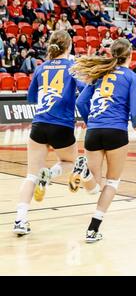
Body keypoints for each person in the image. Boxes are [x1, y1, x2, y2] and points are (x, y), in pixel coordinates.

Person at [69, 38, 136, 243]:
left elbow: (80, 101)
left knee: (93, 187)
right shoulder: (132, 77)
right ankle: (93, 229)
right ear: (130, 55)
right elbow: (134, 112)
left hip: (94, 130)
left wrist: (89, 121)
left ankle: (83, 172)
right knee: (112, 182)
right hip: (116, 132)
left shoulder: (100, 73)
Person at [13, 30, 85, 236]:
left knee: (30, 175)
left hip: (39, 124)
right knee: (71, 162)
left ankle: (20, 219)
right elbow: (83, 90)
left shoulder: (41, 67)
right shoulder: (72, 67)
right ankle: (51, 174)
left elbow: (31, 98)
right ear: (69, 46)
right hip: (62, 125)